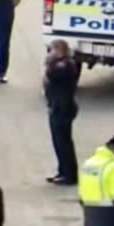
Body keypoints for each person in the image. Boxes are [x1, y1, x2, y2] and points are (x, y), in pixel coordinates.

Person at [43, 39, 79, 185]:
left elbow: (51, 75)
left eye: (52, 50)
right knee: (58, 142)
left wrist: (48, 64)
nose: (50, 53)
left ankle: (69, 174)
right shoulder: (61, 64)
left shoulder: (65, 65)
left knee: (63, 143)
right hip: (57, 106)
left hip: (62, 108)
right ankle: (62, 171)